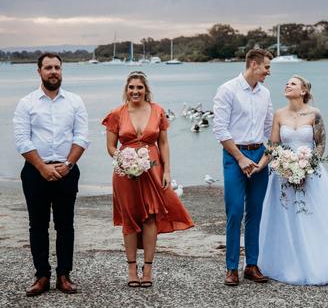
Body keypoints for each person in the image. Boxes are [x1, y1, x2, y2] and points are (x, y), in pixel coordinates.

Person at [256, 75, 328, 285]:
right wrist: (260, 166)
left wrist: (307, 168)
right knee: (285, 219)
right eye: (286, 82)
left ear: (303, 91)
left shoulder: (314, 114)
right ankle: (288, 262)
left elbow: (320, 145)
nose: (287, 85)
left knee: (315, 218)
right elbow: (273, 146)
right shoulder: (279, 114)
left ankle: (320, 262)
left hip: (311, 174)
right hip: (283, 174)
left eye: (293, 83)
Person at [102, 71, 194, 288]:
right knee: (130, 219)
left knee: (151, 217)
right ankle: (132, 268)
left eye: (139, 87)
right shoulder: (116, 114)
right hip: (125, 173)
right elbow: (110, 147)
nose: (135, 91)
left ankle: (148, 268)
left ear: (146, 90)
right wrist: (124, 160)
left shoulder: (158, 111)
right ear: (126, 90)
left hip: (152, 170)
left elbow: (163, 143)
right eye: (131, 87)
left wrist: (167, 172)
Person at [13, 53, 89, 296]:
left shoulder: (75, 101)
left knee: (65, 225)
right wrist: (42, 168)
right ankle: (42, 275)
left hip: (67, 170)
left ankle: (64, 275)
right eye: (48, 68)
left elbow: (81, 137)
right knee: (38, 225)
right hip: (36, 172)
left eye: (57, 67)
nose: (53, 71)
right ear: (39, 71)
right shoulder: (27, 103)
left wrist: (68, 164)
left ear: (61, 70)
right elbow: (22, 139)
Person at [212, 49, 274, 286]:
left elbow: (269, 129)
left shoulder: (265, 93)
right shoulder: (228, 90)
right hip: (234, 155)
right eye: (266, 67)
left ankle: (251, 265)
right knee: (235, 211)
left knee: (255, 212)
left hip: (259, 155)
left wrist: (274, 153)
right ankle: (231, 268)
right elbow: (220, 130)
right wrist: (239, 158)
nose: (268, 72)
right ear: (254, 64)